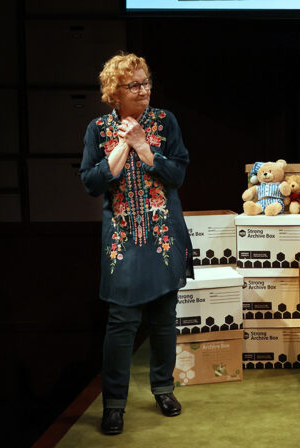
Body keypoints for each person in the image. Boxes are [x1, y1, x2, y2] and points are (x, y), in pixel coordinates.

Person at [79, 52, 191, 435]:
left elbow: (177, 173)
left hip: (163, 235)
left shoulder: (165, 121)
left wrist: (144, 146)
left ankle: (163, 389)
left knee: (163, 318)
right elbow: (91, 182)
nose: (144, 90)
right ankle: (114, 404)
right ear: (116, 92)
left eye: (146, 83)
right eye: (134, 85)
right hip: (122, 240)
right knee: (121, 322)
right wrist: (123, 146)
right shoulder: (97, 129)